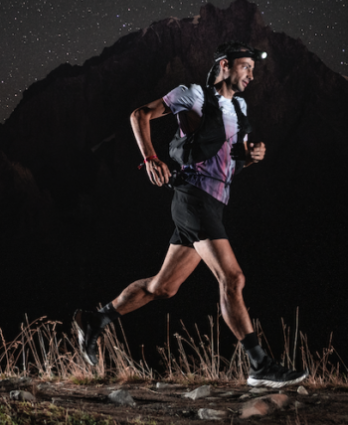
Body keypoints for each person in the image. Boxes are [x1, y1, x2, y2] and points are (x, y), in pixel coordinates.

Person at [73, 41, 308, 388]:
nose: (252, 75)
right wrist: (151, 159)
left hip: (211, 203)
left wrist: (249, 157)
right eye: (246, 67)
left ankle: (96, 320)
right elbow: (140, 115)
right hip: (193, 200)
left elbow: (226, 162)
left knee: (163, 287)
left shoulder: (238, 108)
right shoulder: (192, 94)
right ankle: (260, 365)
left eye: (254, 70)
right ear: (225, 66)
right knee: (233, 279)